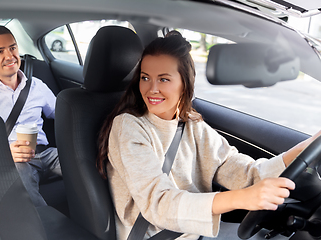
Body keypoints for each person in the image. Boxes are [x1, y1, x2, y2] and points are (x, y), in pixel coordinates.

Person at [96, 31, 321, 239]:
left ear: (185, 84)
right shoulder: (128, 127)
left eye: (164, 79)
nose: (151, 88)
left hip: (194, 233)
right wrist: (242, 198)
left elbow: (242, 171)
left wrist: (302, 149)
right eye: (145, 78)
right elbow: (158, 204)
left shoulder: (193, 126)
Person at [0, 25, 61, 207]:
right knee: (19, 175)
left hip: (46, 153)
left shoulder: (36, 85)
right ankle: (43, 226)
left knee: (87, 161)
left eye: (13, 48)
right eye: (0, 51)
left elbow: (62, 114)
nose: (10, 56)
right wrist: (5, 153)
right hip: (12, 159)